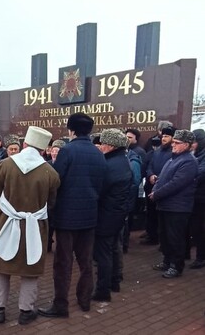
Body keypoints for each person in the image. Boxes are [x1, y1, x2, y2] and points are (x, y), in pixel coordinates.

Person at [0, 126, 60, 325]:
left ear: (24, 144)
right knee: (30, 267)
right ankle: (26, 310)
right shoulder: (50, 172)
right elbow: (51, 203)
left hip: (5, 221)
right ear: (43, 149)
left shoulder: (5, 164)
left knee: (1, 265)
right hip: (35, 225)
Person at [38, 113, 106, 318]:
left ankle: (61, 305)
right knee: (85, 262)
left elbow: (55, 181)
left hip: (67, 219)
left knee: (63, 263)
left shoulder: (67, 151)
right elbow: (102, 184)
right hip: (90, 216)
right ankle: (84, 300)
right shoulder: (98, 154)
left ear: (72, 130)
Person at [149, 129, 198, 278]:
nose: (173, 145)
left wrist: (157, 194)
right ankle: (167, 261)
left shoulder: (189, 162)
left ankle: (176, 266)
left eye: (177, 143)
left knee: (175, 237)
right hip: (165, 205)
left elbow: (176, 184)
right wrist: (156, 189)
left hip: (178, 208)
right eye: (174, 142)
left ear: (187, 145)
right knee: (164, 236)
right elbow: (162, 179)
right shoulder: (173, 159)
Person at [92, 129, 132, 301]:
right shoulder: (121, 160)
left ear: (111, 146)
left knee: (104, 254)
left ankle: (103, 290)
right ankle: (114, 281)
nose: (101, 148)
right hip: (116, 213)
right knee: (113, 249)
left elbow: (99, 190)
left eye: (103, 144)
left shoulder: (110, 165)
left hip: (107, 215)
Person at [142, 126, 175, 246]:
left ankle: (161, 240)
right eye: (163, 136)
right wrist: (150, 175)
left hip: (164, 188)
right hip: (152, 186)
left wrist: (160, 178)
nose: (164, 138)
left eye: (167, 136)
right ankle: (152, 236)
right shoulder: (157, 151)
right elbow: (150, 165)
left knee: (161, 217)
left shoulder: (173, 153)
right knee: (151, 213)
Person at [188, 129, 205, 269]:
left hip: (201, 198)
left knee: (200, 228)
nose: (192, 145)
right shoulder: (196, 155)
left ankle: (201, 257)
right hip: (195, 197)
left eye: (194, 142)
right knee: (194, 228)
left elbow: (198, 174)